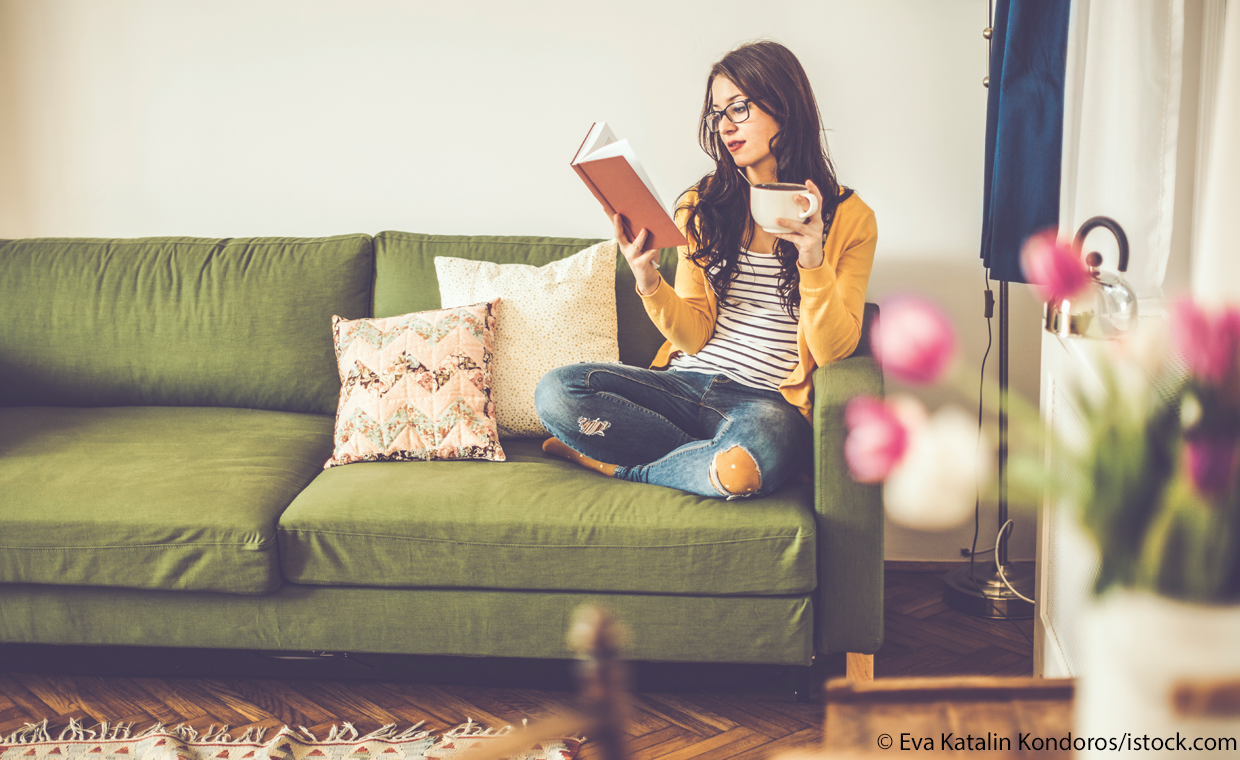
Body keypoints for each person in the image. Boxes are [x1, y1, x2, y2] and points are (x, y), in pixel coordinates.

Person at [534, 40, 877, 499]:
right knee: (557, 392)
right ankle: (703, 461)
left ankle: (612, 463)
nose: (725, 126)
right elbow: (693, 335)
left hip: (767, 405)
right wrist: (648, 278)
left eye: (739, 108)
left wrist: (813, 261)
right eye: (718, 114)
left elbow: (835, 351)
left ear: (785, 105)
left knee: (741, 470)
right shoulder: (701, 205)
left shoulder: (850, 218)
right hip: (682, 383)